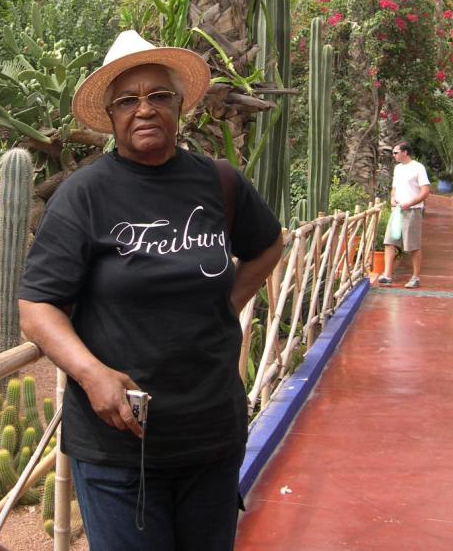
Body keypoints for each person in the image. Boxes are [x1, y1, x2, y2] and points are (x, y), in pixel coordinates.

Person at [18, 30, 283, 551]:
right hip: (119, 445)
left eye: (158, 96)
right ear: (112, 116)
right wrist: (92, 374)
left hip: (210, 434)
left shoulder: (220, 181)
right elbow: (36, 306)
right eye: (128, 100)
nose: (144, 109)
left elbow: (269, 246)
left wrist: (225, 304)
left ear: (179, 106)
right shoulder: (84, 195)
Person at [378, 141, 430, 289]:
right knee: (389, 241)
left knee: (412, 244)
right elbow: (394, 188)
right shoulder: (397, 169)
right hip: (397, 211)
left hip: (413, 211)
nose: (393, 155)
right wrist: (392, 198)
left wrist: (411, 203)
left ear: (405, 152)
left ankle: (415, 277)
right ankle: (387, 275)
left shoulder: (418, 168)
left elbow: (425, 191)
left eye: (396, 152)